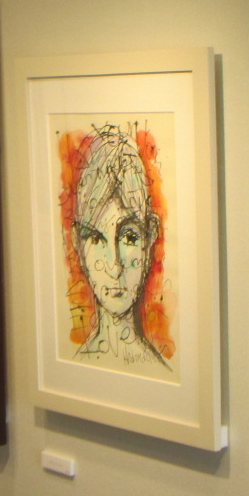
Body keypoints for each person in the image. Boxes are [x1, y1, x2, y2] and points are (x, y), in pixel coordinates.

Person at [67, 123, 169, 370]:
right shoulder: (75, 365)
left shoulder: (160, 371)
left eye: (129, 237)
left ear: (150, 236)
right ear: (77, 242)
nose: (114, 266)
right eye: (96, 239)